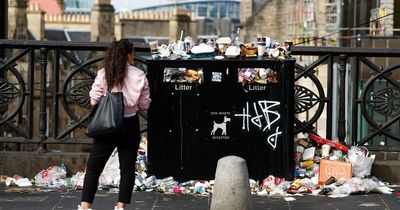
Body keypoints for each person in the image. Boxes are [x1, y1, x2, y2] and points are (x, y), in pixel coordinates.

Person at [78, 39, 151, 210]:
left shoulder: (105, 73)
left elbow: (93, 99)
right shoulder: (139, 75)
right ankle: (120, 207)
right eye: (132, 53)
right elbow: (145, 104)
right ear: (128, 55)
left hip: (107, 124)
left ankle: (85, 206)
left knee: (94, 168)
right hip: (130, 123)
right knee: (126, 169)